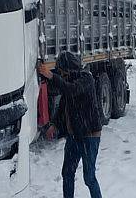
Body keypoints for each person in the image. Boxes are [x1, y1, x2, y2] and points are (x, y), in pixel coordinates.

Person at [38, 52, 103, 198]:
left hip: (89, 136)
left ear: (70, 69)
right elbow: (63, 106)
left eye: (62, 71)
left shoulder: (86, 79)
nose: (61, 74)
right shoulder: (69, 83)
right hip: (74, 136)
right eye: (59, 72)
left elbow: (71, 90)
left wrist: (52, 76)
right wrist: (54, 124)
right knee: (67, 172)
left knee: (89, 177)